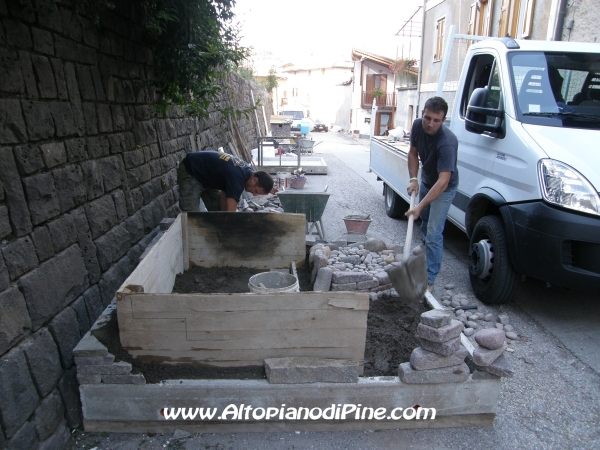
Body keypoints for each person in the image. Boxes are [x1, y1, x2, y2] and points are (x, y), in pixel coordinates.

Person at [405, 97, 459, 293]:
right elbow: (412, 152)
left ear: (443, 120)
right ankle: (426, 245)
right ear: (422, 114)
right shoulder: (418, 126)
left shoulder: (447, 143)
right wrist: (413, 179)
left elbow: (443, 181)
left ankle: (429, 278)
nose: (430, 123)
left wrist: (419, 206)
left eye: (436, 120)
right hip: (428, 180)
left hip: (444, 187)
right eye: (428, 118)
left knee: (434, 231)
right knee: (426, 222)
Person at [177, 150, 274, 212]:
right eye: (256, 191)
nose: (254, 195)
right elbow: (230, 215)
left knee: (217, 211)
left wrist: (223, 217)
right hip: (191, 171)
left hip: (208, 177)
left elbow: (226, 195)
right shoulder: (237, 179)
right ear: (254, 180)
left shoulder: (245, 172)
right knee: (191, 215)